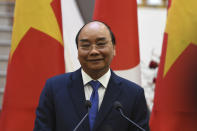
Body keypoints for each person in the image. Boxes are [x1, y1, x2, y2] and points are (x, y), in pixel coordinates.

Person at [34, 21, 149, 131]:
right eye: (85, 45)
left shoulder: (134, 94)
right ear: (78, 52)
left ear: (114, 49)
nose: (94, 51)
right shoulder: (54, 89)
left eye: (101, 44)